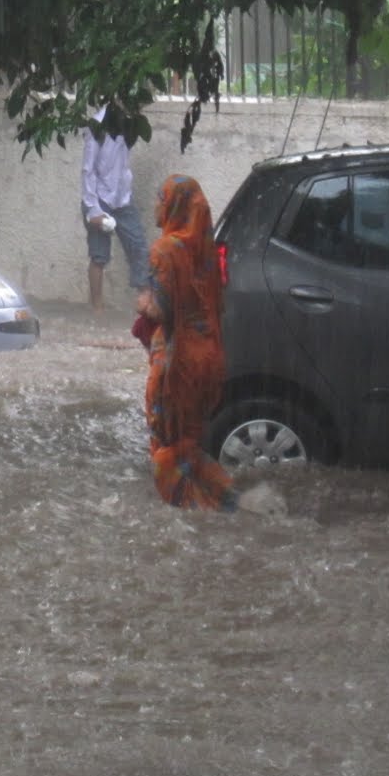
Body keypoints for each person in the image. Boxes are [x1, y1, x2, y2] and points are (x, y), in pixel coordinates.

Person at [140, 174, 239, 511]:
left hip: (177, 361)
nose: (156, 206)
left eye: (160, 198)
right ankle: (230, 502)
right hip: (208, 357)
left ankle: (189, 512)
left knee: (168, 446)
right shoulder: (206, 251)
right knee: (190, 443)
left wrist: (143, 302)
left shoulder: (165, 249)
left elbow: (162, 310)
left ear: (174, 205)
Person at [79, 105, 149, 315]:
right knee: (99, 256)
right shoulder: (97, 126)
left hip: (122, 197)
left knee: (139, 248)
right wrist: (93, 209)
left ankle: (146, 306)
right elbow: (88, 169)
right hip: (99, 198)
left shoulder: (129, 122)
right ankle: (97, 309)